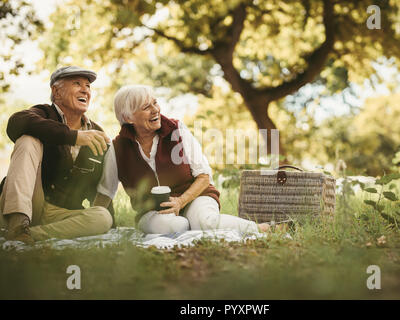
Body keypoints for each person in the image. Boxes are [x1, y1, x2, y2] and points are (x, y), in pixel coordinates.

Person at [94, 84, 271, 234]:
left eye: (155, 102)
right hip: (152, 212)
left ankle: (261, 228)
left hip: (196, 197)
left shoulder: (176, 130)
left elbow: (204, 176)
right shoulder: (117, 148)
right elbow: (105, 192)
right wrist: (96, 226)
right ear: (128, 118)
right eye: (146, 107)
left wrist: (181, 201)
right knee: (177, 226)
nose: (155, 110)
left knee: (205, 222)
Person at [0, 66, 114, 244]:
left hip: (60, 213)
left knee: (103, 217)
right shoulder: (43, 113)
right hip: (28, 203)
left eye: (88, 86)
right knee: (28, 140)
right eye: (77, 83)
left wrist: (109, 222)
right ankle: (17, 224)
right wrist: (73, 136)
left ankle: (29, 235)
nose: (85, 89)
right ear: (56, 92)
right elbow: (16, 122)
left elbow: (100, 184)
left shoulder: (96, 133)